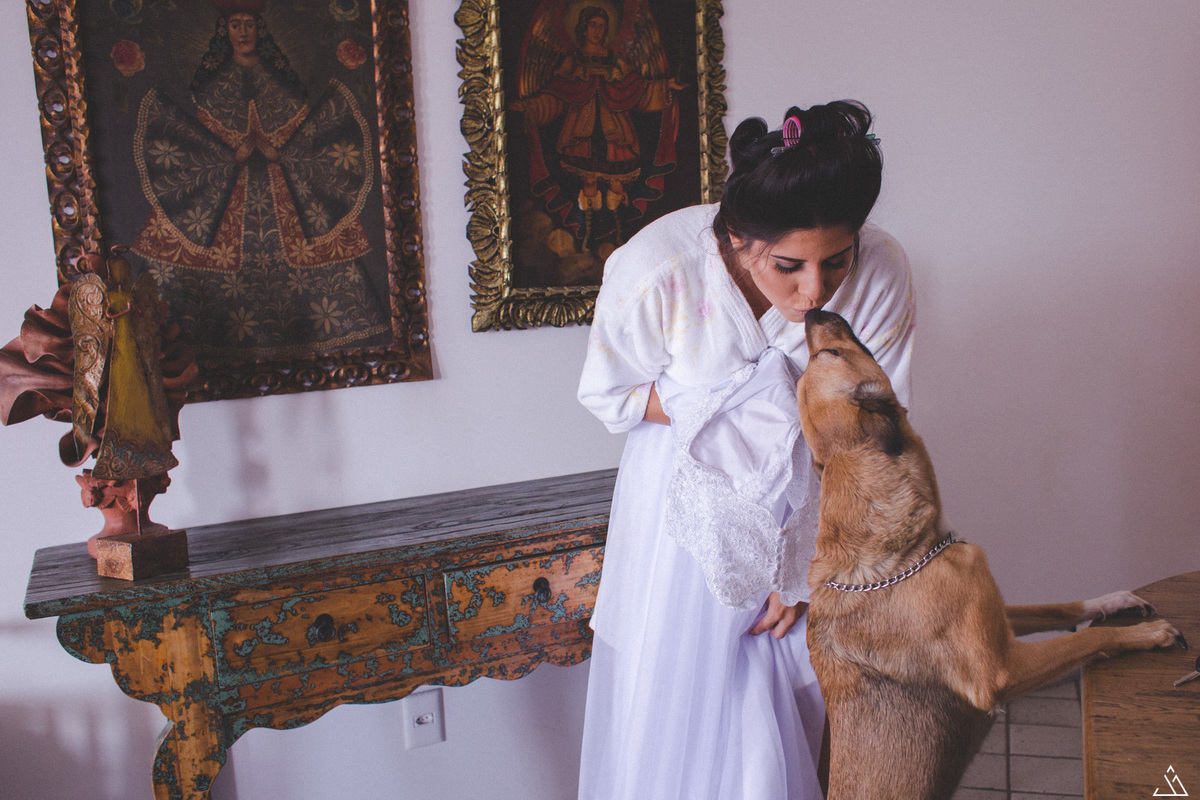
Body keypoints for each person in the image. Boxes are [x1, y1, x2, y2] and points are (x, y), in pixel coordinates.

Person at [576, 100, 915, 799]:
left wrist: (810, 566)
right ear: (736, 236)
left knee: (785, 708)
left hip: (817, 509)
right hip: (688, 511)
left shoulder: (882, 271)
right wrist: (732, 406)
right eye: (788, 265)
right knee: (673, 708)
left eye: (836, 260)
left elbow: (873, 433)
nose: (814, 290)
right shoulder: (658, 270)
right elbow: (612, 398)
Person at [128, 0, 389, 361]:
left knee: (318, 247)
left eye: (249, 24)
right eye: (235, 25)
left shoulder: (279, 80)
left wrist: (274, 151)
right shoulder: (213, 85)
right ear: (225, 31)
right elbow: (204, 138)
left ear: (260, 30)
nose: (243, 32)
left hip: (284, 191)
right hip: (224, 198)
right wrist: (232, 155)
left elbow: (299, 129)